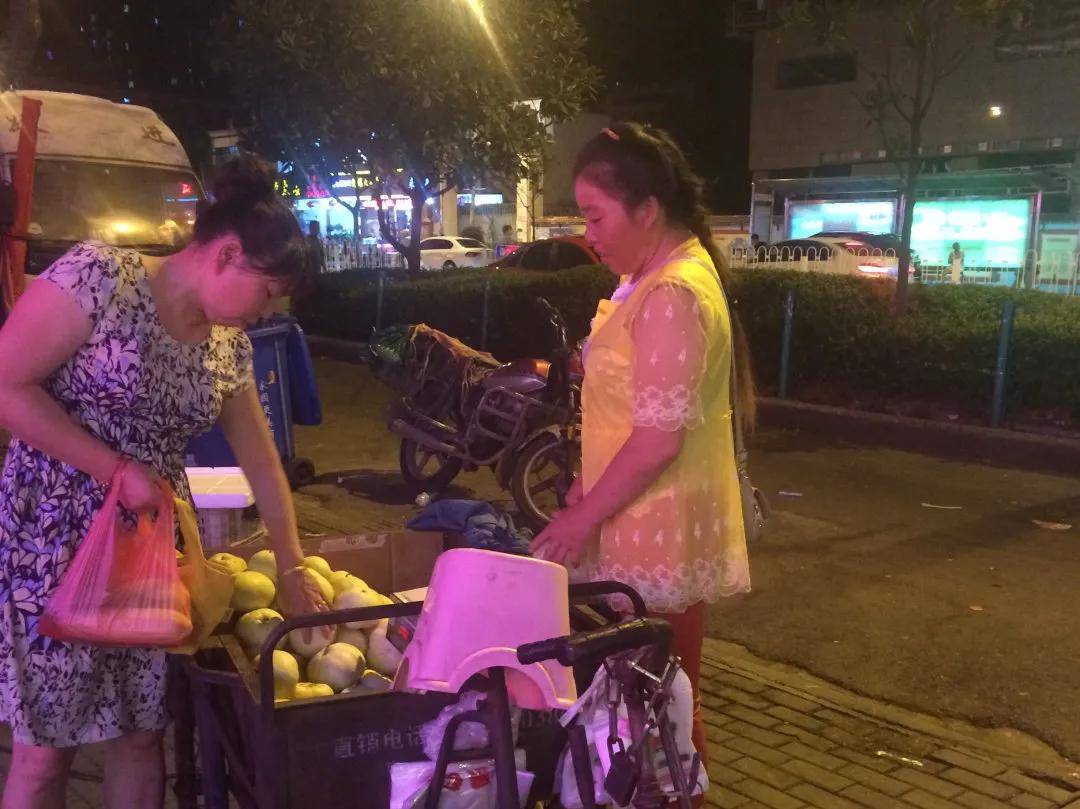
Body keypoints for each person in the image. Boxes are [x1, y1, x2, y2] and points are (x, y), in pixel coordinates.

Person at [0, 156, 327, 809]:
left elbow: (262, 460)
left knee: (142, 732)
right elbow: (7, 384)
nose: (267, 310)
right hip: (54, 539)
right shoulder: (100, 280)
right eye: (267, 292)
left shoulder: (227, 344)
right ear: (227, 254)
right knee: (47, 749)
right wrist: (115, 469)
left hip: (151, 552)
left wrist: (293, 564)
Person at [530, 122, 754, 775]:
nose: (589, 233)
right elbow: (632, 413)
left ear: (648, 210)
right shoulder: (650, 279)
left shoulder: (672, 293)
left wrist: (580, 517)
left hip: (659, 534)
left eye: (596, 216)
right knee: (654, 705)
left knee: (665, 709)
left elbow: (658, 441)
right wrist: (587, 486)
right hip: (639, 524)